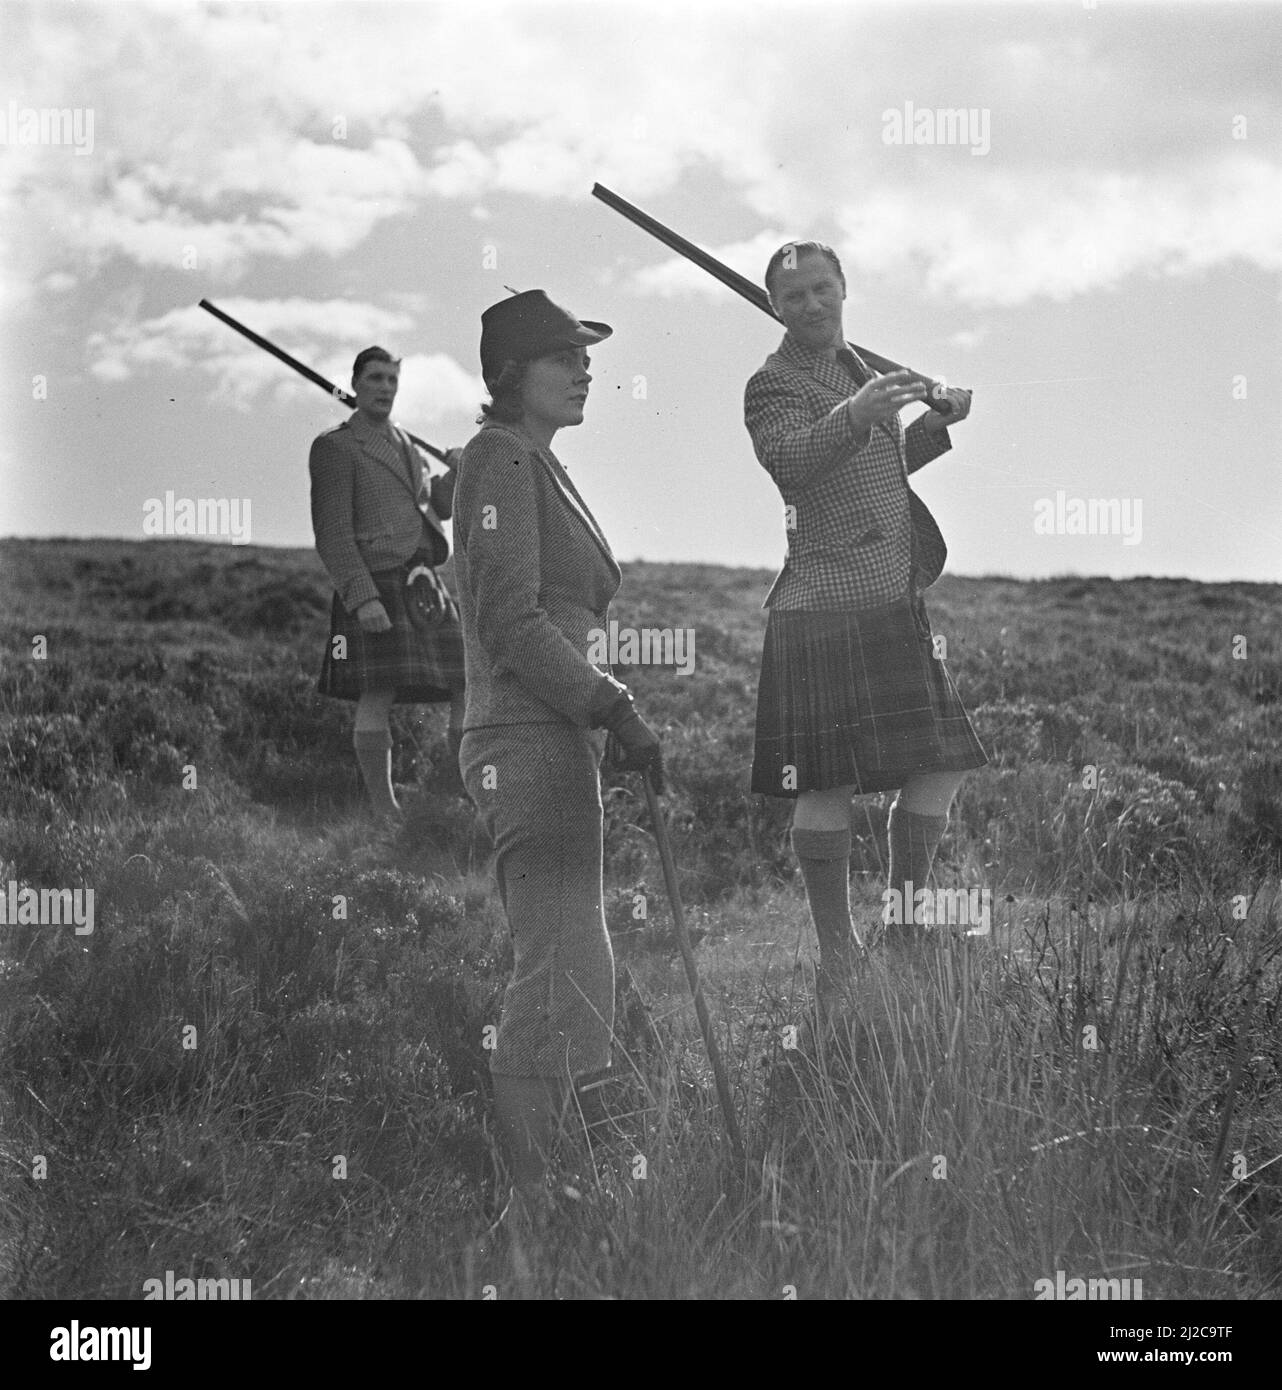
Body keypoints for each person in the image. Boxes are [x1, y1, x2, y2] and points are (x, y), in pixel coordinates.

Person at [452, 290, 663, 1205]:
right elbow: (510, 621)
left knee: (574, 958)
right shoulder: (498, 460)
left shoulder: (532, 461)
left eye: (587, 355)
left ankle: (541, 1188)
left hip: (551, 732)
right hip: (525, 735)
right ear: (510, 374)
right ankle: (526, 1205)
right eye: (563, 356)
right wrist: (612, 706)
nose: (583, 369)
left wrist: (597, 713)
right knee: (555, 959)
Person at [744, 241, 988, 1008]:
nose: (811, 305)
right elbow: (793, 464)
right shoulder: (771, 385)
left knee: (942, 762)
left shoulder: (857, 369)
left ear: (845, 288)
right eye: (794, 297)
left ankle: (905, 925)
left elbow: (879, 465)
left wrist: (938, 422)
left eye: (822, 289)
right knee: (829, 784)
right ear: (776, 307)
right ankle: (837, 953)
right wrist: (857, 412)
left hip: (889, 600)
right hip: (821, 608)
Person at [309, 347, 466, 821]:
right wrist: (363, 598)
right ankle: (385, 810)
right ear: (355, 384)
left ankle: (459, 792)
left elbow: (434, 508)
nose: (384, 388)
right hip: (378, 582)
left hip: (423, 583)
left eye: (392, 380)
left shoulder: (407, 446)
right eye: (374, 378)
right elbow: (332, 534)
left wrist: (456, 473)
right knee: (378, 692)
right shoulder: (336, 446)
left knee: (466, 681)